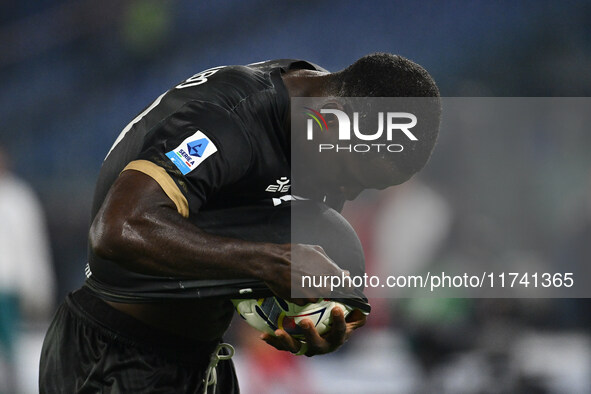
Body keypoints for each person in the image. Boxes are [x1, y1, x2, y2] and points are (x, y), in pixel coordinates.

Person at [39, 53, 440, 393]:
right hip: (113, 355)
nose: (348, 194)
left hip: (204, 359)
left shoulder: (319, 124)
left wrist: (294, 325)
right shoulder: (228, 119)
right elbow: (118, 229)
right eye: (352, 175)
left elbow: (234, 241)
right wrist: (267, 262)